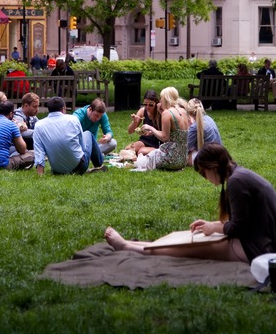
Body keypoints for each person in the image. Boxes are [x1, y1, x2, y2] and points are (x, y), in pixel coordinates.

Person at [105, 143, 276, 263]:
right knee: (190, 242)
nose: (204, 178)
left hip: (257, 248)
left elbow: (238, 227)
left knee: (189, 249)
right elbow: (244, 220)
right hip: (259, 240)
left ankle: (129, 247)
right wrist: (212, 225)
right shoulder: (238, 176)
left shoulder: (236, 182)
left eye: (203, 173)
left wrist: (214, 227)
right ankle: (135, 245)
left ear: (212, 166)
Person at [33, 97, 105, 175]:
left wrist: (40, 174)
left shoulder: (38, 125)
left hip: (57, 171)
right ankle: (99, 164)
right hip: (79, 167)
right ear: (63, 108)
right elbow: (82, 146)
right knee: (87, 134)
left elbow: (39, 152)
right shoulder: (73, 119)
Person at [131, 87, 188, 171]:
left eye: (161, 98)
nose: (160, 101)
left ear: (165, 99)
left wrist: (151, 128)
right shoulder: (183, 111)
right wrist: (153, 132)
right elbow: (175, 134)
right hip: (183, 159)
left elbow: (165, 138)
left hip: (171, 159)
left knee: (139, 163)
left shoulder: (167, 113)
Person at [186, 98, 222, 165]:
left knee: (184, 157)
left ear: (189, 113)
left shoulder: (194, 126)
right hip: (219, 154)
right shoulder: (209, 118)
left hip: (210, 158)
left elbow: (185, 148)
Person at [125, 90, 161, 155]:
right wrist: (135, 122)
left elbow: (165, 134)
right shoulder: (142, 111)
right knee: (128, 149)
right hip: (144, 140)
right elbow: (130, 131)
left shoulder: (160, 113)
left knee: (141, 152)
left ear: (156, 103)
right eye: (145, 104)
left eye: (151, 105)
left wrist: (153, 132)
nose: (147, 107)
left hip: (157, 142)